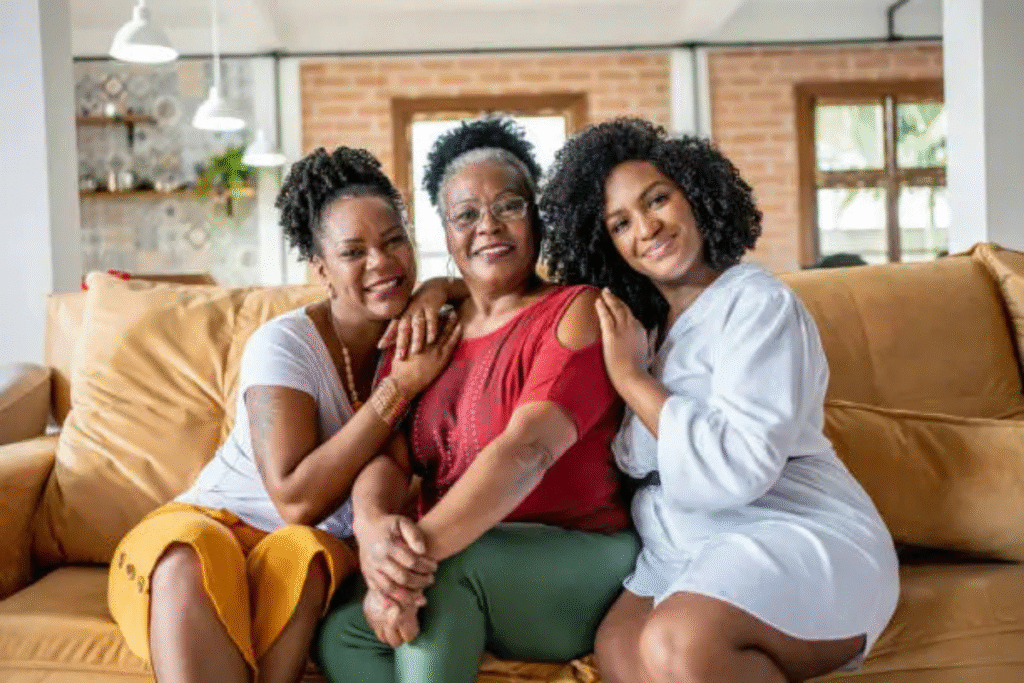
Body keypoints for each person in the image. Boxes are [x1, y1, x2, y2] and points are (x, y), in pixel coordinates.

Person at [540, 118, 900, 683]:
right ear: (606, 245)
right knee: (618, 652)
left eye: (657, 199)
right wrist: (445, 290)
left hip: (793, 527)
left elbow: (740, 466)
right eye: (620, 223)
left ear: (696, 195)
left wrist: (634, 382)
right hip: (680, 545)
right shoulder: (645, 329)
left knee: (677, 642)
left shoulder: (757, 304)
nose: (647, 228)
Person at [107, 146, 461, 683]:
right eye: (354, 252)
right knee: (193, 552)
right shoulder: (286, 343)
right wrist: (398, 390)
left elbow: (494, 292)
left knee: (308, 553)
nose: (382, 263)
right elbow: (295, 498)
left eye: (394, 242)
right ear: (320, 268)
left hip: (299, 557)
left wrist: (442, 286)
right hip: (206, 531)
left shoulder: (431, 331)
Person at [316, 117, 639, 683]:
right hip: (461, 556)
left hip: (579, 558)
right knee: (341, 632)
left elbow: (527, 452)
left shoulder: (574, 312)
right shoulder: (427, 329)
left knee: (445, 576)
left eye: (508, 206)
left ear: (537, 217)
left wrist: (412, 565)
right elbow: (391, 461)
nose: (487, 226)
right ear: (445, 233)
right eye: (466, 214)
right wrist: (371, 535)